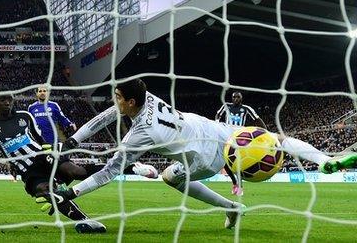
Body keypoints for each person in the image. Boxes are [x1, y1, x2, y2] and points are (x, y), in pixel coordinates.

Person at [55, 78, 357, 229]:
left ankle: (230, 206)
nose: (115, 100)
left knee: (169, 176)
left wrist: (74, 192)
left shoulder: (140, 135)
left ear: (131, 102)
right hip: (208, 127)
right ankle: (325, 159)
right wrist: (73, 141)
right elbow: (105, 117)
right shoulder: (146, 97)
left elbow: (110, 170)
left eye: (118, 97)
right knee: (274, 138)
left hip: (203, 157)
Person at [0, 87, 131, 233]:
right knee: (46, 192)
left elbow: (42, 141)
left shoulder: (25, 116)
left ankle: (130, 167)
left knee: (76, 171)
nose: (7, 102)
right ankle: (85, 222)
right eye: (3, 99)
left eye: (10, 99)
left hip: (43, 157)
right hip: (28, 172)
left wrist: (53, 154)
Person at [215, 91, 267, 196]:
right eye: (234, 97)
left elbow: (257, 119)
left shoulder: (247, 109)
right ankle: (235, 183)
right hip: (226, 135)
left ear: (241, 98)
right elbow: (218, 115)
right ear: (232, 98)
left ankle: (240, 186)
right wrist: (217, 125)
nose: (236, 99)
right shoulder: (226, 106)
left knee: (238, 162)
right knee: (225, 161)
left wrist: (266, 132)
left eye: (238, 97)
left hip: (239, 137)